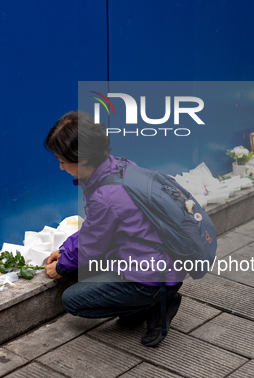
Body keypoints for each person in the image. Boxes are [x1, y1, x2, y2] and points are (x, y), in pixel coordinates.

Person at [43, 111, 185, 347]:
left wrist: (62, 265)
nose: (60, 167)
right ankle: (154, 299)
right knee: (127, 319)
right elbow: (97, 227)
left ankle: (156, 302)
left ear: (83, 158)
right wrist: (66, 249)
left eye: (62, 161)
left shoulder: (106, 194)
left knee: (72, 300)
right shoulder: (121, 167)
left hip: (151, 274)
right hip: (165, 263)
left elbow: (92, 245)